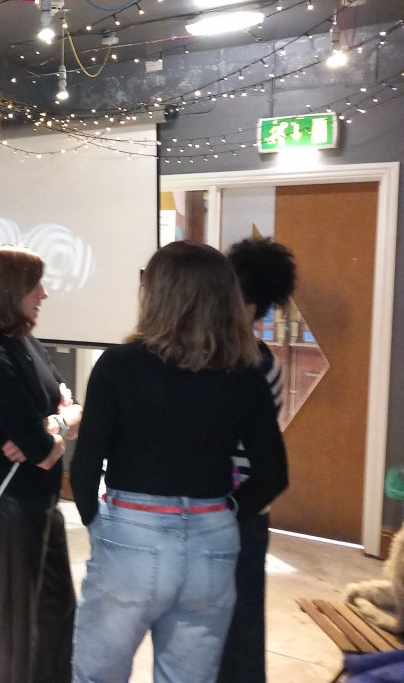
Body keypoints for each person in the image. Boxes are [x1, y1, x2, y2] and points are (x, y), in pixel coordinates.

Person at [69, 241, 290, 683]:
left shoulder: (117, 365)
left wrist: (101, 526)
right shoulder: (245, 372)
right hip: (213, 540)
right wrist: (224, 515)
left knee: (96, 676)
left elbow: (84, 468)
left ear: (157, 294)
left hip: (132, 532)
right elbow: (273, 474)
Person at [0, 243, 84, 683]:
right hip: (10, 507)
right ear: (10, 290)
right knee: (16, 626)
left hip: (42, 503)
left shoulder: (24, 341)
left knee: (58, 609)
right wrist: (51, 431)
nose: (44, 293)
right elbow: (43, 451)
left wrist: (53, 424)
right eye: (35, 285)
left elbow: (72, 411)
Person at [218, 237, 297, 683]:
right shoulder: (259, 361)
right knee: (237, 621)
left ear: (250, 308)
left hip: (238, 510)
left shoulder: (252, 365)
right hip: (242, 509)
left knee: (238, 623)